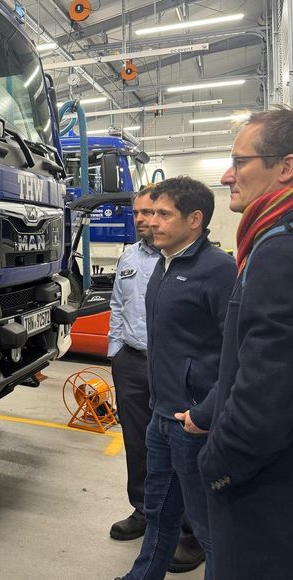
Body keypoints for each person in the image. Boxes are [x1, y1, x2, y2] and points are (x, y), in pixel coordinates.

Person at [117, 176, 236, 580]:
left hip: (193, 423)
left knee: (207, 530)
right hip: (161, 416)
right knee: (159, 513)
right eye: (149, 213)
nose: (152, 222)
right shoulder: (163, 264)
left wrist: (203, 413)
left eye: (164, 214)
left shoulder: (218, 270)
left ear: (195, 220)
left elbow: (236, 353)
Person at [198, 107, 293, 580]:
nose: (226, 175)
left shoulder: (278, 250)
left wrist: (218, 465)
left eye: (240, 162)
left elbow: (267, 391)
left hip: (263, 482)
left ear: (285, 167)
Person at [108, 186, 205, 573]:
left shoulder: (184, 260)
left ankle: (190, 530)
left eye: (154, 212)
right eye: (138, 213)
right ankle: (144, 509)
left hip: (173, 369)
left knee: (183, 450)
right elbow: (118, 304)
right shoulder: (130, 255)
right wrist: (115, 354)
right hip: (131, 363)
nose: (146, 220)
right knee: (137, 442)